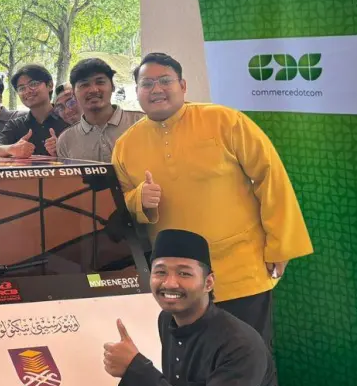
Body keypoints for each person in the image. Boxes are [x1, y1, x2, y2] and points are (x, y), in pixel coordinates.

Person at [111, 53, 313, 346]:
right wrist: (139, 199)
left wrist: (280, 245)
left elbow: (271, 178)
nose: (156, 89)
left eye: (165, 81)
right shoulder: (126, 145)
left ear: (182, 85)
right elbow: (120, 205)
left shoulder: (225, 121)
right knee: (190, 371)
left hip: (240, 271)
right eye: (147, 84)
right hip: (176, 283)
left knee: (249, 366)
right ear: (137, 92)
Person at [103, 229, 295, 386]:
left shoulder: (239, 344)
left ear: (209, 282)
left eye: (184, 273)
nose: (170, 283)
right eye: (160, 272)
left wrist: (135, 369)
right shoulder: (167, 320)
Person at [48, 58, 144, 161]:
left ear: (113, 86)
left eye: (100, 82)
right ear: (74, 94)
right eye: (84, 85)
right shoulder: (66, 140)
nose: (93, 90)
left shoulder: (141, 122)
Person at [0, 64, 70, 158]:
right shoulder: (16, 125)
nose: (27, 91)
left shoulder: (68, 118)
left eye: (33, 84)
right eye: (21, 88)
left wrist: (62, 149)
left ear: (50, 85)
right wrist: (11, 149)